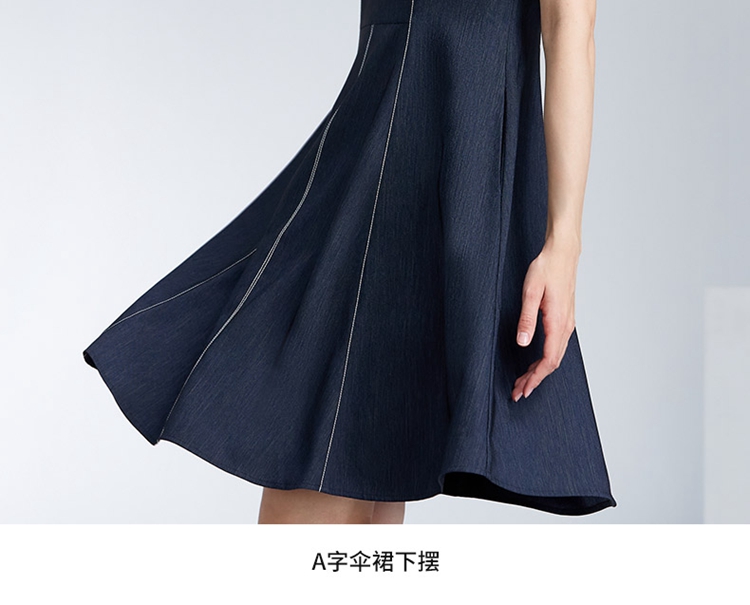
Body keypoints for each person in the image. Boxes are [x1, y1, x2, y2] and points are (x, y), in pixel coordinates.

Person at [83, 0, 616, 525]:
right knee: (347, 451)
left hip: (459, 157)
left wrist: (564, 243)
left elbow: (571, 24)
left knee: (368, 459)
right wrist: (561, 240)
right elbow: (567, 26)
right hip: (401, 144)